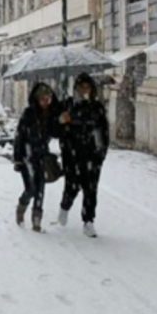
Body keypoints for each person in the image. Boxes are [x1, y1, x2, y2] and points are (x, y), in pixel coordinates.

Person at [57, 73, 110, 238]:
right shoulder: (67, 105)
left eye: (88, 87)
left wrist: (101, 153)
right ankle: (65, 206)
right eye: (81, 87)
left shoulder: (97, 107)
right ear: (76, 88)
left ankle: (88, 221)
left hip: (92, 155)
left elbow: (103, 131)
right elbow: (56, 129)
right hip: (72, 154)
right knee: (72, 186)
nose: (85, 90)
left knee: (90, 189)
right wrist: (61, 121)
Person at [13, 82, 60, 232]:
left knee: (41, 188)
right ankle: (22, 206)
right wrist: (18, 158)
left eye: (48, 99)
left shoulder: (50, 115)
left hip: (42, 156)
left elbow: (56, 132)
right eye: (43, 99)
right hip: (27, 156)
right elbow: (19, 136)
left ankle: (36, 220)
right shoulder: (29, 114)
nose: (45, 102)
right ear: (37, 99)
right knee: (31, 188)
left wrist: (61, 122)